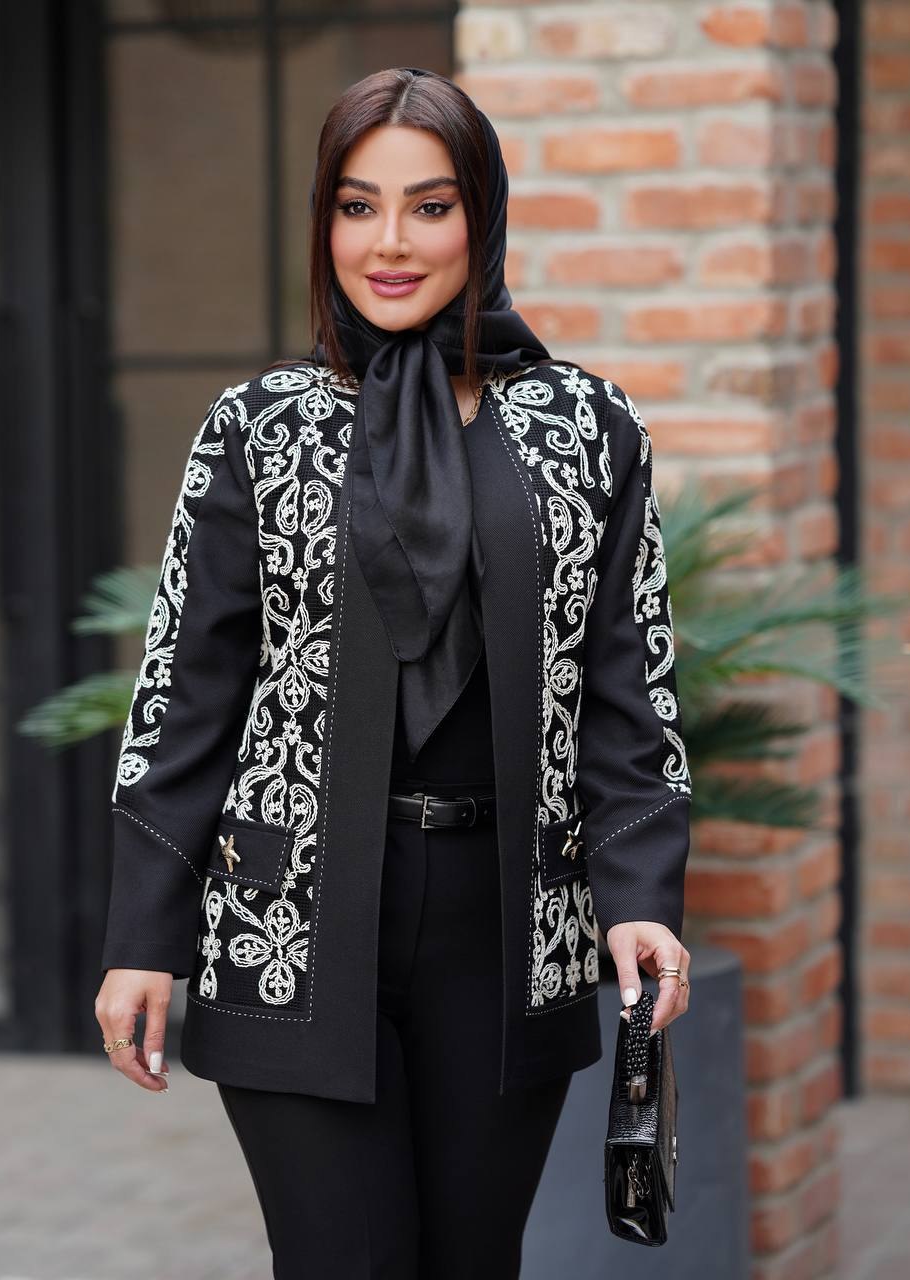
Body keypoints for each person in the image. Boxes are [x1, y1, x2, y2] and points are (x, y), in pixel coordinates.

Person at [95, 66, 692, 1279]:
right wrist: (142, 931)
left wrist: (639, 893)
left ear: (484, 214)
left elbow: (628, 687)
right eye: (357, 206)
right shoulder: (257, 427)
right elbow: (186, 692)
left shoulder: (589, 427)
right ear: (323, 219)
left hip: (510, 925)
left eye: (430, 206)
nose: (390, 243)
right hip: (291, 920)